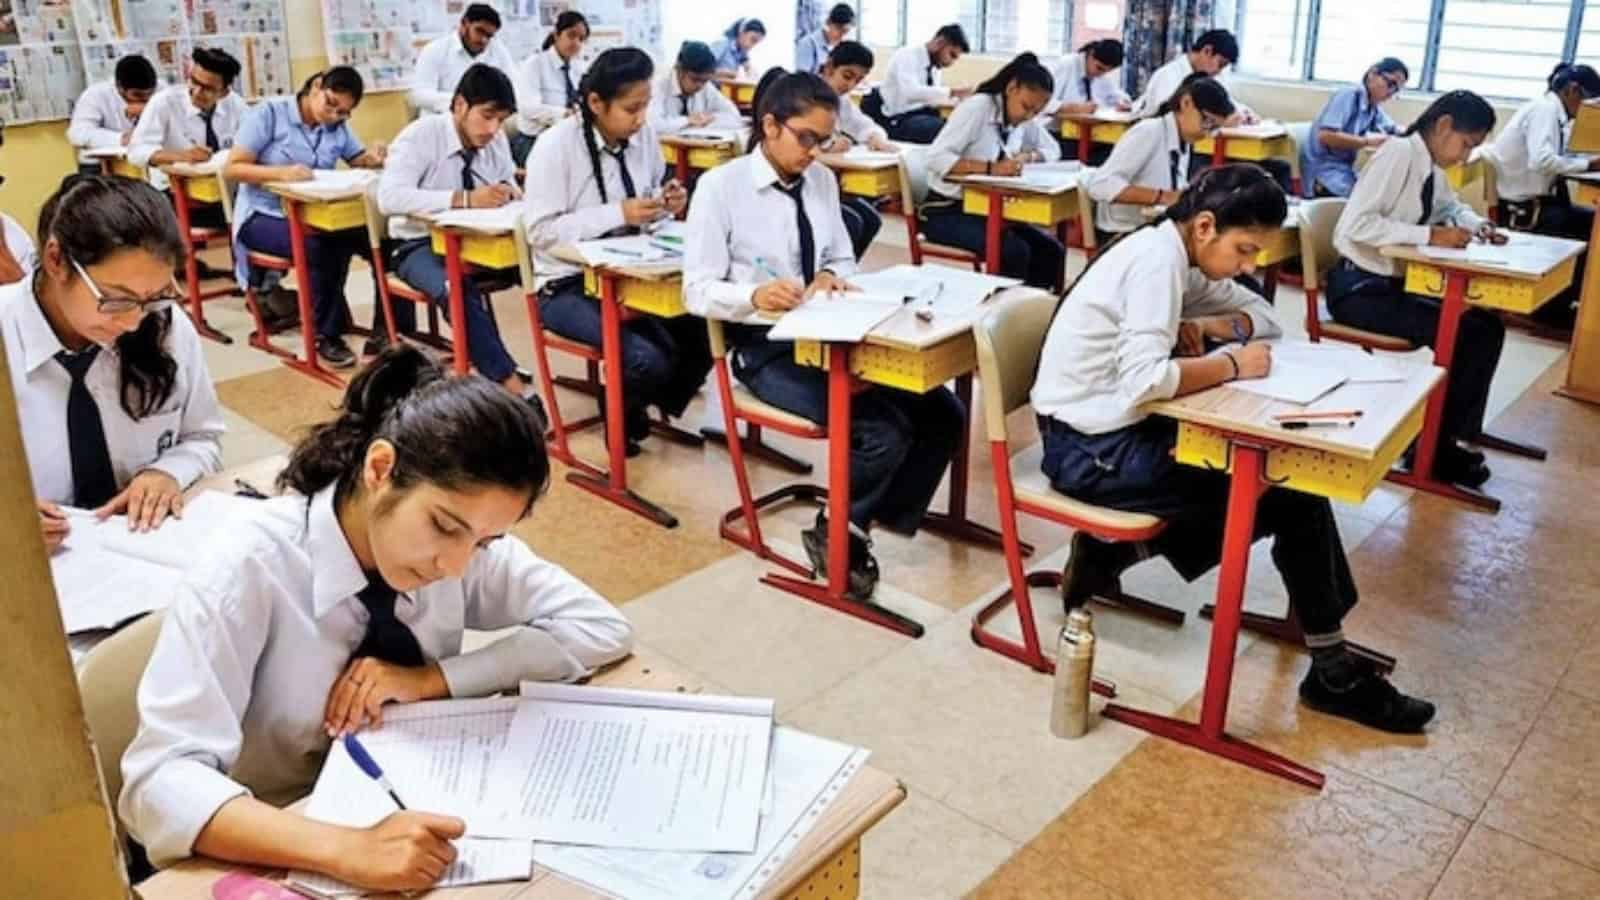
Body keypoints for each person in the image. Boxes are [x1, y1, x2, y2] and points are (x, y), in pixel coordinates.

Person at [118, 345, 634, 891]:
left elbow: (600, 627)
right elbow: (158, 782)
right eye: (444, 526)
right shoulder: (251, 567)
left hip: (403, 815)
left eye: (486, 541)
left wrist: (435, 680)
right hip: (272, 837)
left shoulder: (465, 548)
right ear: (380, 469)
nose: (455, 565)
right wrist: (345, 848)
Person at [1031, 163, 1436, 736]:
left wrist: (1224, 324)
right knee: (1280, 489)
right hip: (1087, 447)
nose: (1248, 266)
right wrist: (1229, 363)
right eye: (1244, 250)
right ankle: (1333, 671)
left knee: (1273, 485)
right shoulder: (1154, 263)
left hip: (1123, 429)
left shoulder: (1179, 254)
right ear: (1203, 226)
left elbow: (1267, 317)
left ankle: (1116, 557)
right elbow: (1144, 382)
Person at [684, 72, 965, 600]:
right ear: (769, 126)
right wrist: (752, 296)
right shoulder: (720, 188)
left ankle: (851, 525)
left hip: (829, 334)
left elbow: (837, 253)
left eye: (824, 139)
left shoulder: (819, 181)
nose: (814, 152)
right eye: (806, 138)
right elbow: (696, 291)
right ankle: (843, 530)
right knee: (882, 431)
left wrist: (833, 275)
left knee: (942, 412)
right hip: (763, 347)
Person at [2, 175, 223, 550]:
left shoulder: (163, 323)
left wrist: (167, 471)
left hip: (138, 551)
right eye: (116, 299)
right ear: (56, 260)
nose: (134, 320)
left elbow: (203, 436)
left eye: (153, 297)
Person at [524, 48, 708, 456]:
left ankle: (638, 402)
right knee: (646, 359)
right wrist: (617, 212)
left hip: (632, 273)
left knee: (704, 329)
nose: (641, 118)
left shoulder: (641, 136)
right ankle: (624, 413)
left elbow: (648, 200)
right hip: (565, 285)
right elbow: (540, 231)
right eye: (631, 108)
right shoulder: (555, 147)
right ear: (595, 103)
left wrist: (666, 203)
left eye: (646, 106)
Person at [1329, 90, 1504, 489]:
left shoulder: (1429, 164)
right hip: (1358, 289)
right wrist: (1429, 235)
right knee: (1465, 333)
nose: (1463, 156)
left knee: (1485, 325)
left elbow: (1450, 207)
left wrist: (1478, 225)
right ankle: (1431, 448)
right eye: (1465, 144)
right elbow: (1356, 226)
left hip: (1390, 285)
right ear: (1443, 126)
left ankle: (1447, 436)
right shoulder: (1397, 155)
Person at [379, 64, 539, 406]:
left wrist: (511, 193)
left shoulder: (495, 142)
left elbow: (507, 182)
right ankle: (511, 390)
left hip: (480, 243)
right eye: (487, 116)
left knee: (544, 272)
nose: (494, 128)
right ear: (460, 105)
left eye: (502, 119)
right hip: (416, 244)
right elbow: (388, 197)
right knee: (456, 288)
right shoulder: (420, 136)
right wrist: (463, 199)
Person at [227, 67, 388, 370]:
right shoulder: (269, 114)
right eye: (330, 104)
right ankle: (324, 335)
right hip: (263, 215)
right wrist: (280, 173)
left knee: (384, 240)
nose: (334, 115)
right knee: (320, 247)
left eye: (343, 112)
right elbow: (233, 168)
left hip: (318, 215)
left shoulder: (337, 125)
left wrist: (375, 157)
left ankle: (387, 332)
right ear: (316, 86)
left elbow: (357, 159)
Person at [921, 53, 1064, 288]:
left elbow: (1052, 148)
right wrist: (992, 169)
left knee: (1051, 251)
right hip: (945, 211)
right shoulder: (978, 108)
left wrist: (1029, 156)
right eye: (1026, 107)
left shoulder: (1022, 120)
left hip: (990, 210)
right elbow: (936, 158)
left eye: (1036, 113)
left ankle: (1035, 315)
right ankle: (1002, 319)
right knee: (1014, 251)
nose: (1028, 117)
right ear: (1011, 88)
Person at [1487, 63, 1600, 330]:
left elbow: (1556, 157)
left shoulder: (1554, 112)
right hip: (1525, 209)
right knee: (1589, 232)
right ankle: (1551, 309)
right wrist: (1589, 166)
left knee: (1593, 223)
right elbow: (1542, 160)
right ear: (1573, 90)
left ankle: (1564, 303)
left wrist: (1583, 161)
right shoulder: (1544, 110)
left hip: (1538, 201)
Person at [1083, 74, 1232, 243]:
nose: (1207, 133)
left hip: (1152, 229)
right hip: (1122, 233)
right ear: (1186, 103)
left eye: (1214, 129)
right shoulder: (1149, 132)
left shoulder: (1183, 139)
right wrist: (1162, 197)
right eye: (1207, 122)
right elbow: (1100, 185)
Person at [128, 47, 247, 235]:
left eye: (207, 88)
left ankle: (241, 262)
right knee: (241, 218)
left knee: (254, 211)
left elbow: (254, 143)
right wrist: (182, 156)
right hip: (173, 193)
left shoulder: (236, 105)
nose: (196, 92)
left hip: (222, 190)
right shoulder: (164, 102)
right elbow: (136, 152)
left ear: (224, 92)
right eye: (194, 81)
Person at [817, 40, 894, 258]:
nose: (850, 85)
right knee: (852, 221)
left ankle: (842, 273)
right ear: (830, 67)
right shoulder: (805, 93)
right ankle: (824, 273)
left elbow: (863, 124)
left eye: (858, 80)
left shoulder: (840, 101)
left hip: (827, 181)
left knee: (871, 219)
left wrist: (875, 138)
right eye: (847, 76)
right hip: (803, 182)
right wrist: (829, 146)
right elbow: (802, 142)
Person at [1301, 58, 1409, 198]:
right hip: (1323, 173)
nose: (1391, 92)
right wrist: (1366, 142)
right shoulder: (1349, 95)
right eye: (1390, 84)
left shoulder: (1372, 107)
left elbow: (1392, 128)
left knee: (1380, 194)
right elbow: (1326, 135)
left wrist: (1412, 132)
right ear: (1373, 73)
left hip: (1342, 171)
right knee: (1368, 201)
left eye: (1396, 90)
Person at [511, 9, 589, 166]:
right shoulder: (535, 64)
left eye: (581, 39)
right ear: (556, 35)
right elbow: (527, 108)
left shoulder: (578, 69)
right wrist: (564, 114)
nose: (576, 43)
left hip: (567, 140)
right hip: (534, 142)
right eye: (571, 35)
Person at [409, 3, 518, 116]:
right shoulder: (435, 50)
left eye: (489, 36)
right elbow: (419, 95)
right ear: (464, 24)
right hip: (442, 122)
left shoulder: (497, 50)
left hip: (484, 121)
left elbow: (514, 85)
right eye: (479, 31)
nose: (484, 40)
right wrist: (464, 103)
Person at [876, 23, 971, 144]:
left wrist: (960, 101)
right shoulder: (907, 55)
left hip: (922, 116)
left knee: (960, 127)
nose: (951, 63)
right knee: (946, 132)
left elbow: (930, 99)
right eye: (952, 55)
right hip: (899, 119)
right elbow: (911, 92)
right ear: (940, 43)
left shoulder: (935, 66)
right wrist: (951, 92)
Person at [67, 54, 159, 175]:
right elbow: (77, 134)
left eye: (149, 94)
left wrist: (148, 109)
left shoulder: (161, 89)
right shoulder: (96, 95)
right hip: (99, 165)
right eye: (138, 95)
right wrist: (121, 139)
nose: (145, 99)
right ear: (119, 87)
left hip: (145, 160)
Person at [1043, 39, 1130, 162]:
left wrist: (1122, 103)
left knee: (1115, 151)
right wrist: (1074, 108)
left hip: (1085, 134)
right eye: (1099, 68)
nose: (1100, 74)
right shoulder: (1067, 65)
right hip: (1054, 133)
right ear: (1090, 54)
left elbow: (1117, 95)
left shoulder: (1100, 75)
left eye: (1106, 71)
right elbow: (1043, 103)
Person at [647, 40, 745, 137]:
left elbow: (735, 117)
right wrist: (688, 121)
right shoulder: (658, 85)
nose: (700, 86)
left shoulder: (706, 86)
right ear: (679, 69)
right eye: (695, 79)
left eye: (705, 80)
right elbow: (652, 125)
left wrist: (708, 119)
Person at [795, 3, 854, 74]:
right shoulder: (808, 45)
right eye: (839, 28)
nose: (841, 35)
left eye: (845, 31)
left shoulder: (840, 47)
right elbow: (800, 80)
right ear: (828, 22)